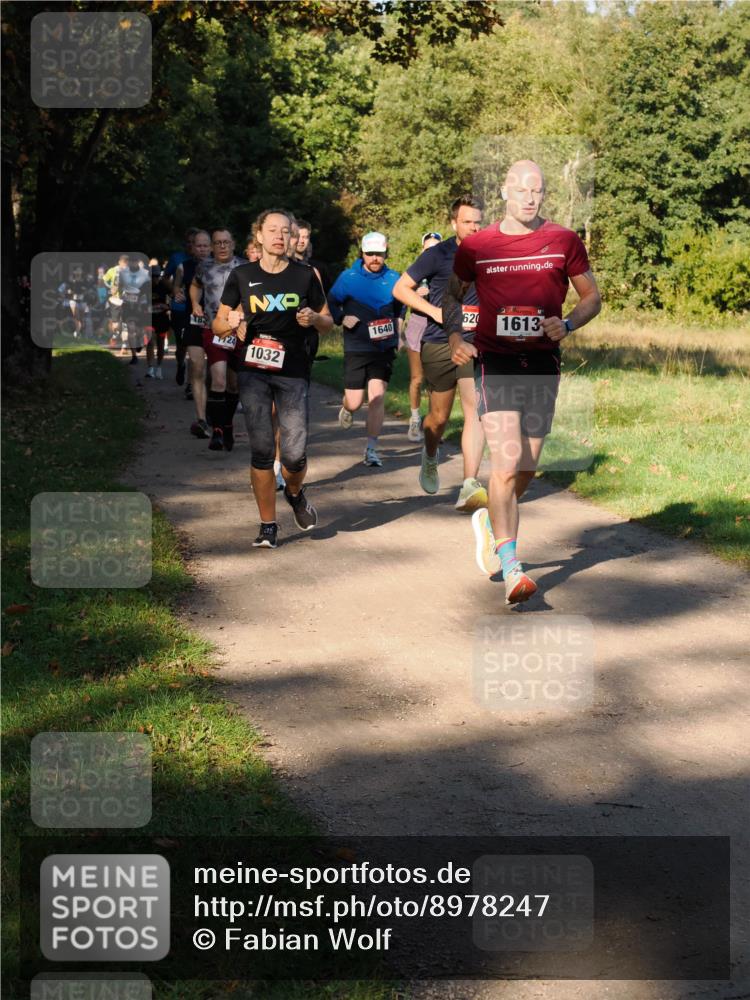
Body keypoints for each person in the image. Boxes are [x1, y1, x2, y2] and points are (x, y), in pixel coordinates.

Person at [444, 159, 601, 604]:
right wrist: (456, 335)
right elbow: (452, 294)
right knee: (507, 462)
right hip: (496, 361)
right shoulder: (479, 246)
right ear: (505, 193)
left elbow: (592, 296)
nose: (530, 198)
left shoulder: (563, 240)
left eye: (538, 190)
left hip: (543, 363)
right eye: (522, 190)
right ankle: (513, 568)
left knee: (528, 466)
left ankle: (492, 521)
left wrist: (568, 324)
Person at [213, 208, 333, 549]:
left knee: (294, 454)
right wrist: (231, 318)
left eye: (286, 231)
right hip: (253, 370)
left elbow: (328, 321)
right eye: (273, 230)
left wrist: (314, 319)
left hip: (293, 371)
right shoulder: (241, 276)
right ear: (260, 236)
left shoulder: (305, 275)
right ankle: (268, 525)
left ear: (293, 238)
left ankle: (294, 493)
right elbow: (218, 325)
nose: (280, 236)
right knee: (263, 449)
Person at [393, 197, 487, 513]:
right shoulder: (438, 254)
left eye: (478, 221)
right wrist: (433, 310)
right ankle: (430, 453)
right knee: (439, 417)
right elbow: (401, 289)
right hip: (440, 343)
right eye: (467, 221)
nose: (474, 227)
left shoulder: (491, 253)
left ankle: (470, 484)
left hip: (478, 342)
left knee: (475, 409)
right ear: (453, 223)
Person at [327, 232, 404, 468]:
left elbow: (400, 308)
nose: (374, 258)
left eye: (379, 254)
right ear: (362, 253)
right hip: (357, 345)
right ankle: (347, 407)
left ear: (385, 254)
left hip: (383, 345)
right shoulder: (348, 277)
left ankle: (371, 449)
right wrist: (341, 317)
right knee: (355, 400)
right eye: (370, 254)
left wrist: (399, 334)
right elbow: (331, 301)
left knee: (377, 395)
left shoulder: (394, 278)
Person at [190, 229, 244, 450]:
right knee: (218, 379)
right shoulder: (204, 267)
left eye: (226, 242)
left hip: (239, 331)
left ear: (233, 244)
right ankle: (218, 431)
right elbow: (195, 285)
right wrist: (195, 304)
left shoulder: (245, 267)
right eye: (217, 243)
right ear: (212, 246)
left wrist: (240, 313)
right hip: (213, 329)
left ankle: (228, 424)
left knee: (233, 384)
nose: (222, 246)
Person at [401, 231, 442, 442]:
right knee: (418, 379)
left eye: (436, 247)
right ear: (422, 250)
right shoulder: (416, 271)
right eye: (428, 248)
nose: (432, 252)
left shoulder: (447, 270)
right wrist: (415, 297)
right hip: (418, 327)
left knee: (438, 382)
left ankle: (434, 424)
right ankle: (415, 418)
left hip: (439, 329)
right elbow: (399, 296)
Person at [174, 230, 212, 435]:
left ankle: (213, 407)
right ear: (192, 248)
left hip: (218, 324)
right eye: (199, 245)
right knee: (198, 366)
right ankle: (201, 418)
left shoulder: (221, 268)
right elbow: (176, 286)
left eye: (206, 245)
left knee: (217, 374)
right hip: (194, 321)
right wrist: (177, 293)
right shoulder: (184, 267)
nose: (203, 249)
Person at [163, 228, 199, 386]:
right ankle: (180, 364)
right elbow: (165, 278)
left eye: (195, 243)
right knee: (181, 345)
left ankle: (191, 384)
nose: (191, 246)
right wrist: (174, 291)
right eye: (189, 243)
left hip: (198, 309)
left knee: (195, 346)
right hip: (180, 308)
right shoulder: (177, 258)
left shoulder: (206, 259)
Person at [119, 256, 151, 365]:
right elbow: (119, 286)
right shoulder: (122, 272)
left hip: (141, 305)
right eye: (131, 260)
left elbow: (148, 290)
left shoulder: (145, 273)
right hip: (127, 304)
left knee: (139, 330)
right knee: (130, 329)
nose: (132, 263)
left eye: (134, 260)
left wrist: (147, 303)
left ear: (138, 261)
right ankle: (134, 355)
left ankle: (140, 341)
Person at [295, 219, 333, 293]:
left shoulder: (320, 268)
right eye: (298, 236)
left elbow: (327, 296)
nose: (301, 241)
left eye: (305, 237)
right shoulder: (284, 265)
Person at [103, 254, 128, 352]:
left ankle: (124, 346)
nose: (125, 266)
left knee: (125, 324)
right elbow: (104, 280)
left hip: (126, 301)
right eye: (123, 263)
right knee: (116, 325)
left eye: (126, 264)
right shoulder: (112, 270)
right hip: (115, 300)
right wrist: (110, 288)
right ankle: (114, 335)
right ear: (119, 262)